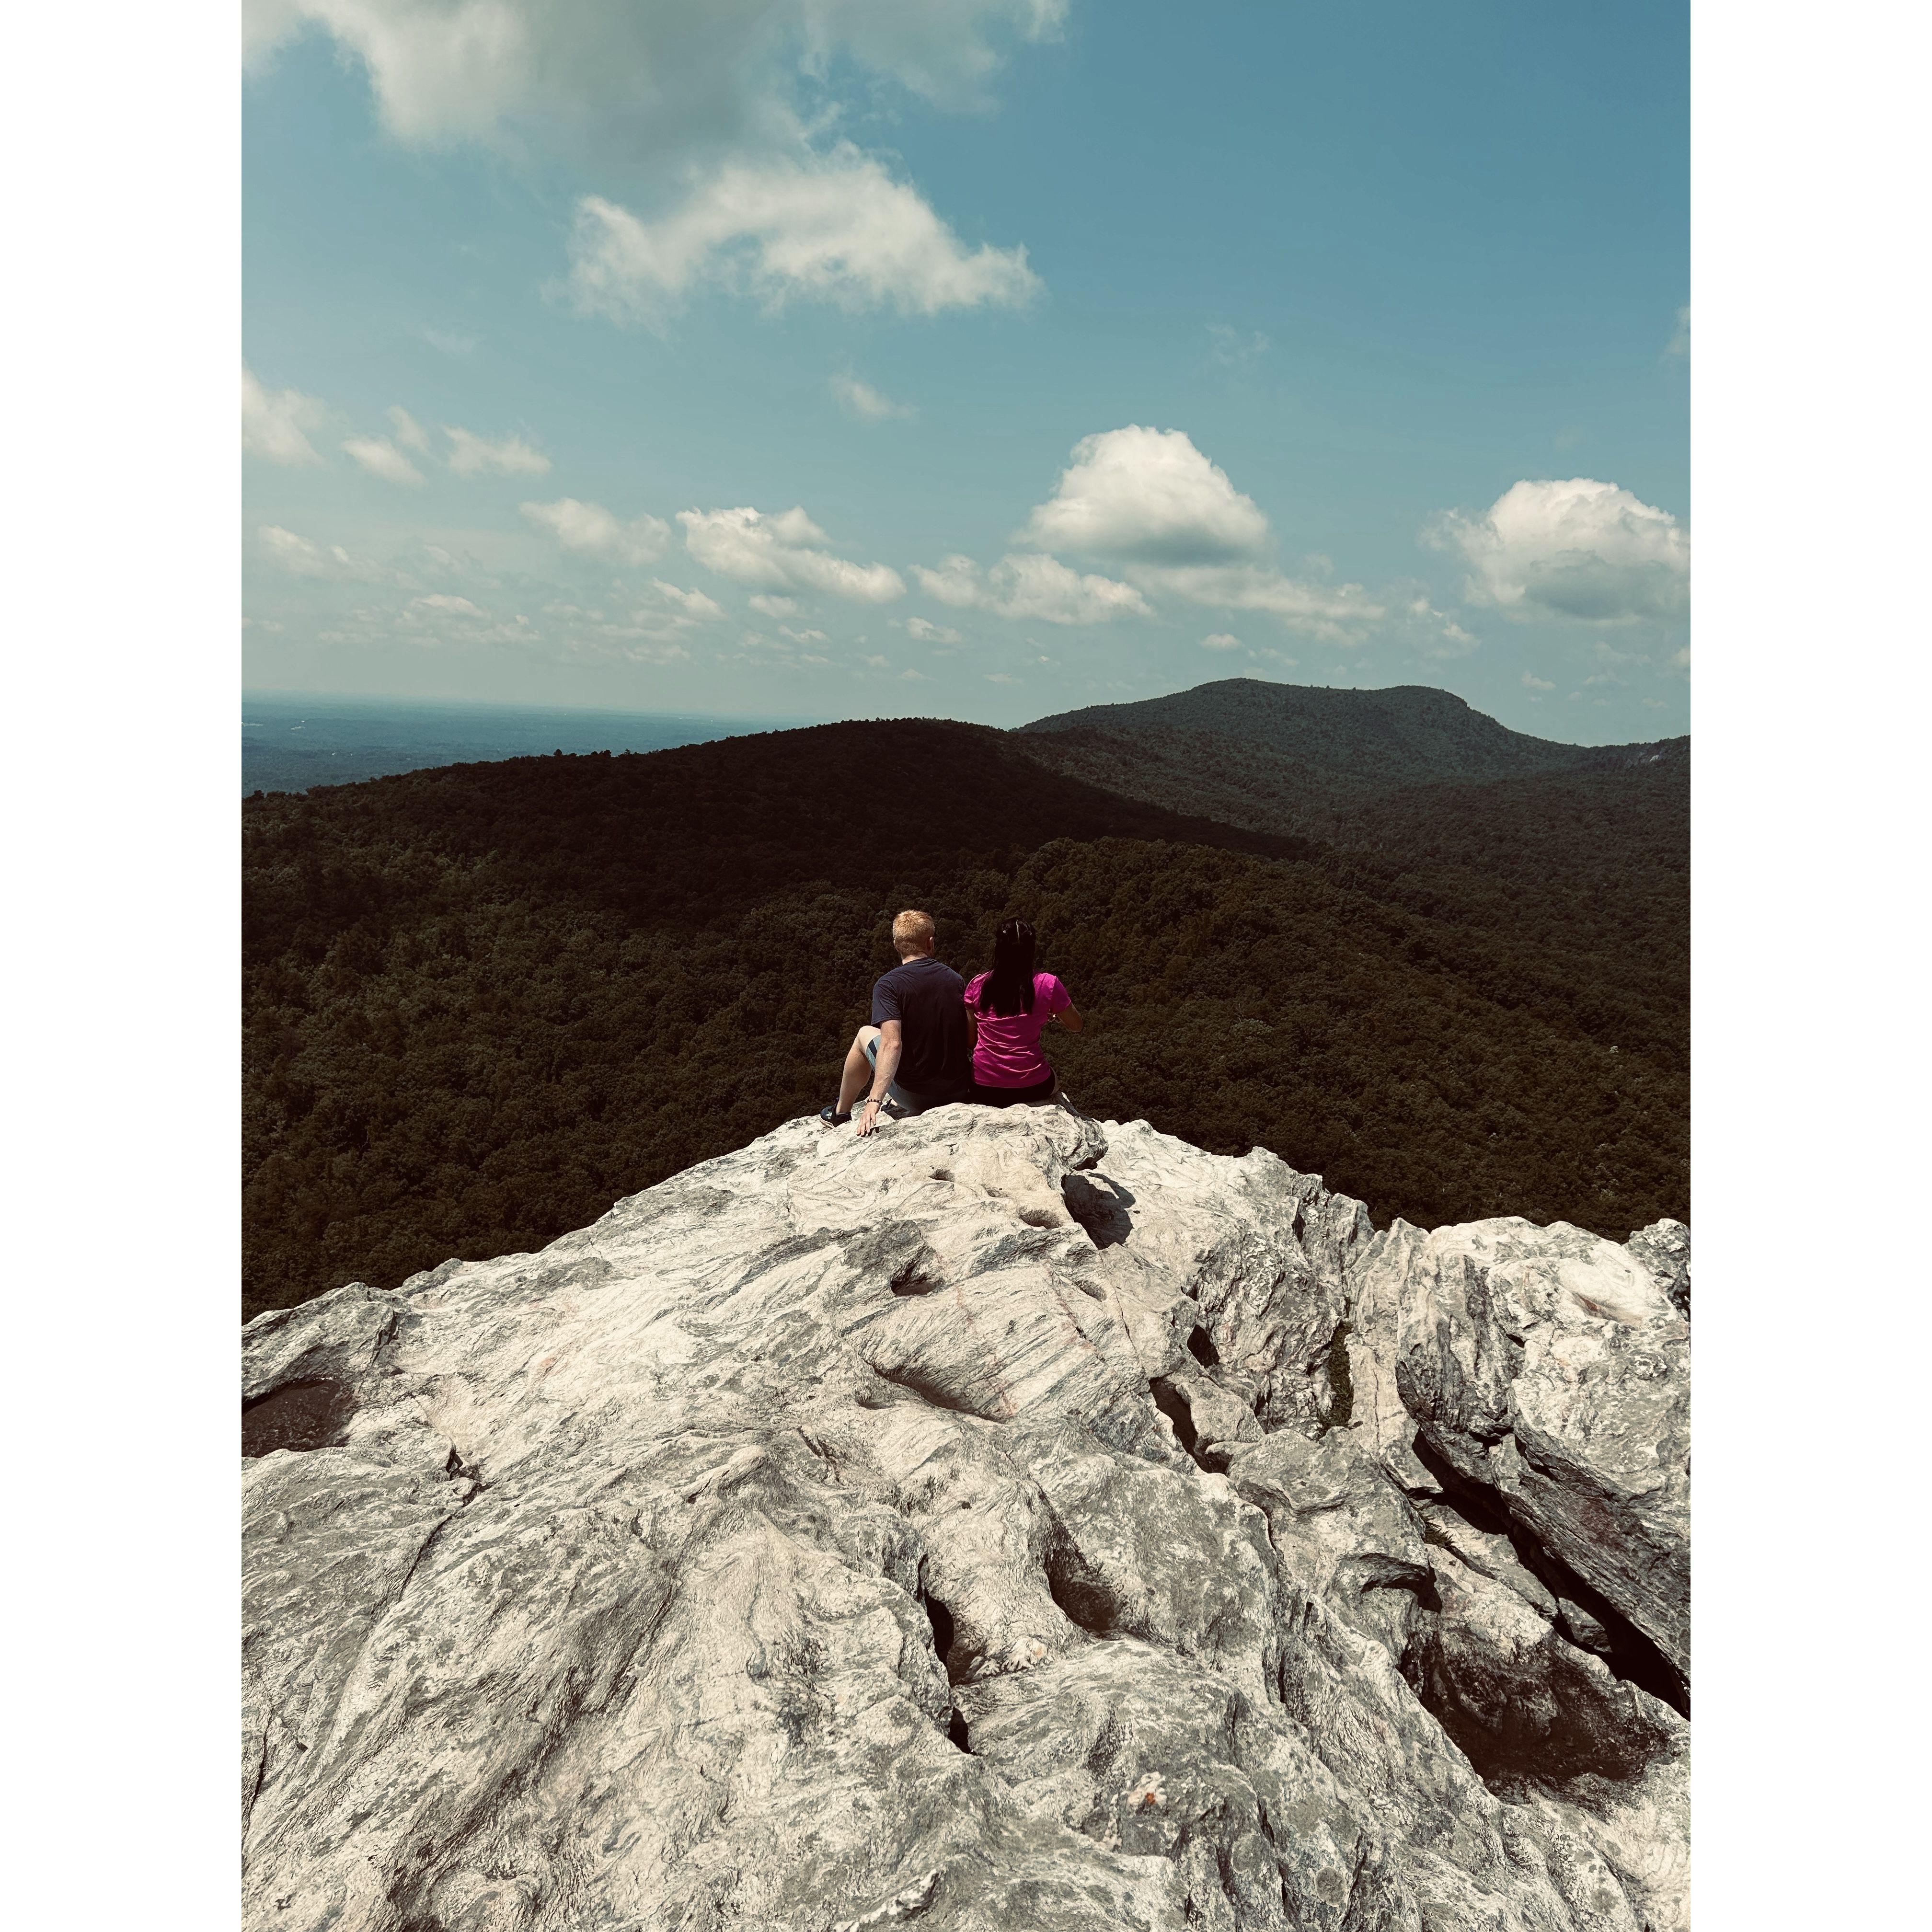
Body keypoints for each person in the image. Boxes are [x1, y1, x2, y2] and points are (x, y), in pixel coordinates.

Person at [821, 909, 972, 1137]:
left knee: (864, 1033)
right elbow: (967, 1037)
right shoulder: (955, 979)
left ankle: (840, 1112)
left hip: (917, 1097)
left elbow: (892, 1044)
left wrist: (874, 1101)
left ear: (896, 945)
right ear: (931, 943)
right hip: (958, 1090)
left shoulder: (888, 985)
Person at [964, 918, 1082, 1107]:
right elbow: (1077, 1026)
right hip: (1033, 1086)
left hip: (984, 1087)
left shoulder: (977, 985)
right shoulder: (1048, 984)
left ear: (997, 948)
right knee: (1054, 1077)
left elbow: (971, 1041)